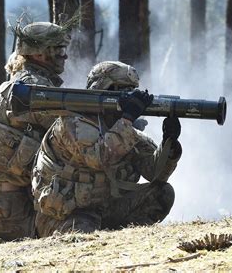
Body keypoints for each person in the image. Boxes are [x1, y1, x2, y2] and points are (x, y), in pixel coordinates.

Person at [31, 61, 182, 236]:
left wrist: (169, 142)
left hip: (106, 208)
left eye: (131, 90)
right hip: (66, 214)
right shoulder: (72, 121)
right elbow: (98, 158)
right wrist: (126, 120)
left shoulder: (123, 127)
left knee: (162, 194)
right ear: (103, 89)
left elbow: (155, 173)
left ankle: (127, 239)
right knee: (83, 235)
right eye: (121, 90)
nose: (128, 96)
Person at [0, 21, 70, 241]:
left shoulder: (26, 82)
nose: (64, 56)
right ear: (40, 54)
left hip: (4, 201)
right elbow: (72, 133)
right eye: (58, 49)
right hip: (7, 204)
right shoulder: (32, 89)